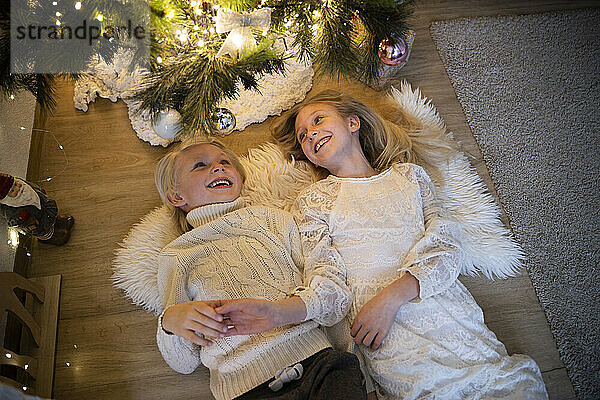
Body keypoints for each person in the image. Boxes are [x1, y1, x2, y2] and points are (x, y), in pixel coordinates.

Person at [220, 90, 548, 399]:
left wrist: (395, 295)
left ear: (352, 122)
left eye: (318, 120)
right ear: (310, 158)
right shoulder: (313, 202)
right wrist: (282, 314)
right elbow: (327, 285)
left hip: (440, 303)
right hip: (387, 337)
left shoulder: (409, 177)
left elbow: (447, 244)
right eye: (303, 136)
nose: (310, 135)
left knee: (500, 383)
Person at [153, 137, 366, 400]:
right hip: (246, 388)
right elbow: (183, 364)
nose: (218, 168)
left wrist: (347, 350)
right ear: (175, 196)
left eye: (225, 162)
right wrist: (170, 322)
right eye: (200, 165)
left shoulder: (275, 220)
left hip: (319, 362)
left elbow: (329, 287)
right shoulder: (177, 255)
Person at [0, 173, 74, 245]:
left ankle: (56, 222)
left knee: (50, 216)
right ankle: (50, 236)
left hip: (46, 208)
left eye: (15, 184)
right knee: (44, 229)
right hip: (38, 222)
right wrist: (23, 220)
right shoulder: (10, 209)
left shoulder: (23, 186)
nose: (18, 188)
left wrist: (39, 191)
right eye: (12, 191)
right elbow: (12, 223)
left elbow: (32, 186)